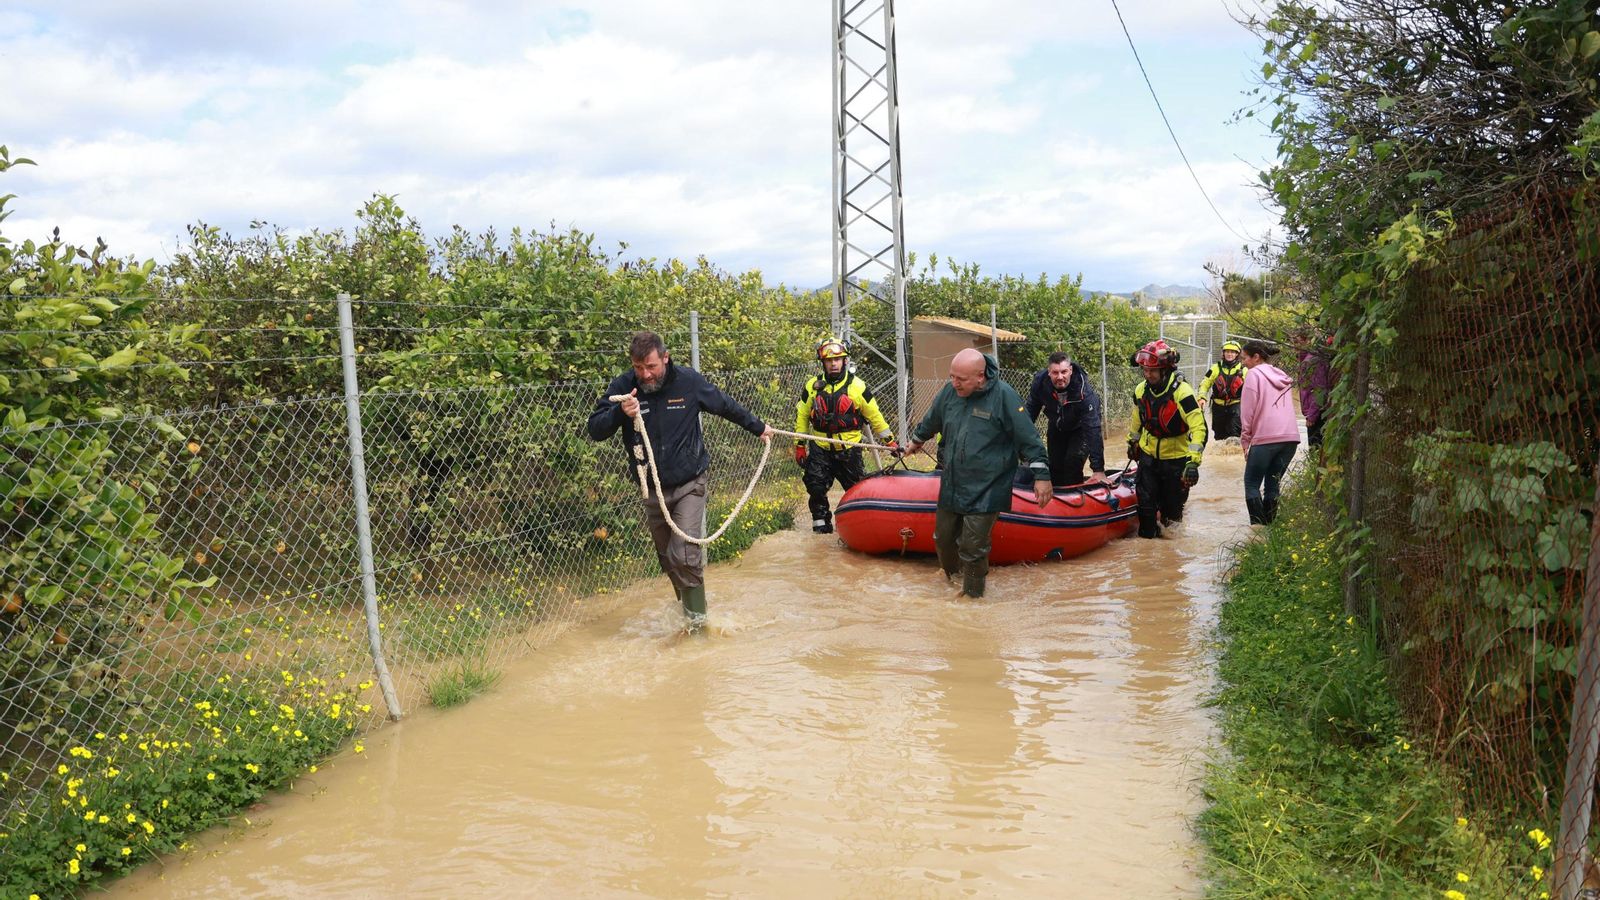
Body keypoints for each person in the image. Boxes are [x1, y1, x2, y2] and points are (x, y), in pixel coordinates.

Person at [587, 331, 774, 628]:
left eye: (651, 367)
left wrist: (758, 427)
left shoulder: (688, 382)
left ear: (665, 358)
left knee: (683, 554)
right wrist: (620, 413)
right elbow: (595, 429)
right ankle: (685, 616)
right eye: (638, 368)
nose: (645, 375)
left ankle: (698, 629)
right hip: (651, 488)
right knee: (668, 558)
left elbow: (725, 405)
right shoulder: (624, 387)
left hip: (690, 483)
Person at [903, 349, 1052, 599]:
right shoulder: (950, 393)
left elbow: (1029, 439)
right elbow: (932, 419)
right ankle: (953, 581)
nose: (954, 383)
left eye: (961, 379)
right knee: (943, 539)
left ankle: (973, 598)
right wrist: (916, 440)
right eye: (952, 376)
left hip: (988, 485)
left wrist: (1042, 476)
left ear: (980, 377)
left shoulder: (1004, 396)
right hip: (953, 480)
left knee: (973, 548)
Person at [793, 338, 897, 534]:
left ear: (844, 361)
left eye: (838, 360)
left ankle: (859, 529)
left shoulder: (857, 387)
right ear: (822, 363)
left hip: (849, 451)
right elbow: (802, 416)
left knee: (857, 491)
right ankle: (821, 529)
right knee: (815, 486)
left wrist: (889, 441)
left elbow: (875, 416)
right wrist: (799, 445)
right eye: (829, 360)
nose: (833, 364)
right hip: (820, 449)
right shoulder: (811, 387)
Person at [1126, 339, 1207, 539]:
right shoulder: (1140, 390)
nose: (1147, 374)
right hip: (1148, 457)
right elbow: (1137, 419)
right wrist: (1132, 442)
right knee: (1145, 509)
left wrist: (1193, 462)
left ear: (1165, 369)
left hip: (1176, 460)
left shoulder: (1183, 392)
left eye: (1152, 370)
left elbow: (1199, 427)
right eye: (1144, 370)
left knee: (1171, 519)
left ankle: (1171, 563)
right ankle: (1147, 558)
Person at [1015, 351, 1107, 489]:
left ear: (1070, 370)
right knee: (1055, 467)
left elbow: (1093, 428)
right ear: (1048, 372)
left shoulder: (1084, 392)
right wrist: (1017, 443)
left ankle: (1076, 502)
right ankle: (1054, 505)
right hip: (1057, 425)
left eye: (1064, 372)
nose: (1060, 377)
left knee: (1072, 463)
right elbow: (1030, 413)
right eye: (1055, 373)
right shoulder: (1040, 384)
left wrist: (1098, 469)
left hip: (1080, 428)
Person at [1239, 340, 1300, 525]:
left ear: (1256, 357)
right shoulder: (1283, 375)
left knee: (1251, 484)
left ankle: (1257, 533)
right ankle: (1270, 530)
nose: (1242, 363)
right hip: (1291, 438)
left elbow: (1248, 411)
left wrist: (1245, 440)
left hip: (1265, 438)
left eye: (1244, 358)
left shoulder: (1253, 375)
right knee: (1273, 485)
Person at [1197, 340, 1247, 440]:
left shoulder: (1244, 370)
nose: (1229, 354)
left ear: (1237, 354)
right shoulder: (1215, 368)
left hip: (1235, 405)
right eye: (1227, 351)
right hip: (1218, 406)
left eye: (1232, 352)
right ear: (1223, 353)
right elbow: (1205, 383)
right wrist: (1202, 397)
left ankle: (1233, 453)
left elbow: (1251, 388)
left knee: (1234, 432)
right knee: (1219, 435)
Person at [1297, 334, 1334, 449]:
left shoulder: (1313, 361)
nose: (1294, 345)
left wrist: (1312, 416)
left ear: (1309, 341)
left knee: (1316, 449)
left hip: (1317, 414)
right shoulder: (1306, 360)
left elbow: (1319, 389)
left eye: (1297, 341)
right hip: (1314, 412)